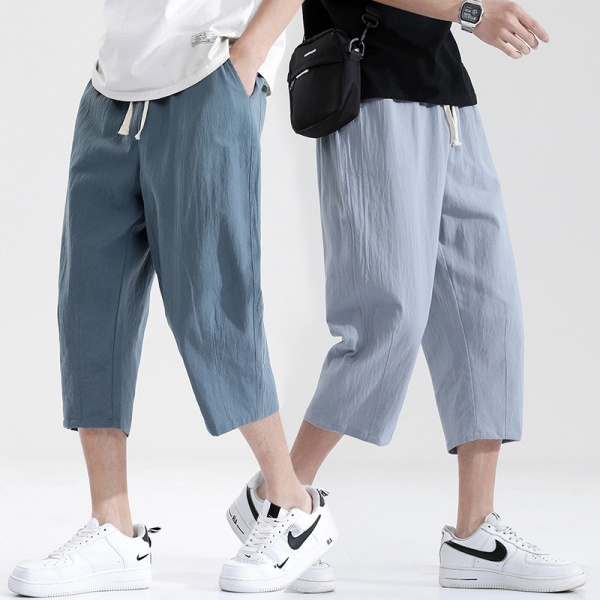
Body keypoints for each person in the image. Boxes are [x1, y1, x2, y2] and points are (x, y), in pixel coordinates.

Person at [227, 0, 587, 593]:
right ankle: (281, 498)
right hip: (371, 91)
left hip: (448, 100)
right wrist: (470, 12)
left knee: (488, 311)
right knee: (386, 315)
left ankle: (475, 533)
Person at [7, 1, 339, 597]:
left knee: (212, 306)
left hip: (208, 75)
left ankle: (292, 505)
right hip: (112, 89)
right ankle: (113, 529)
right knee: (88, 309)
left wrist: (249, 55)